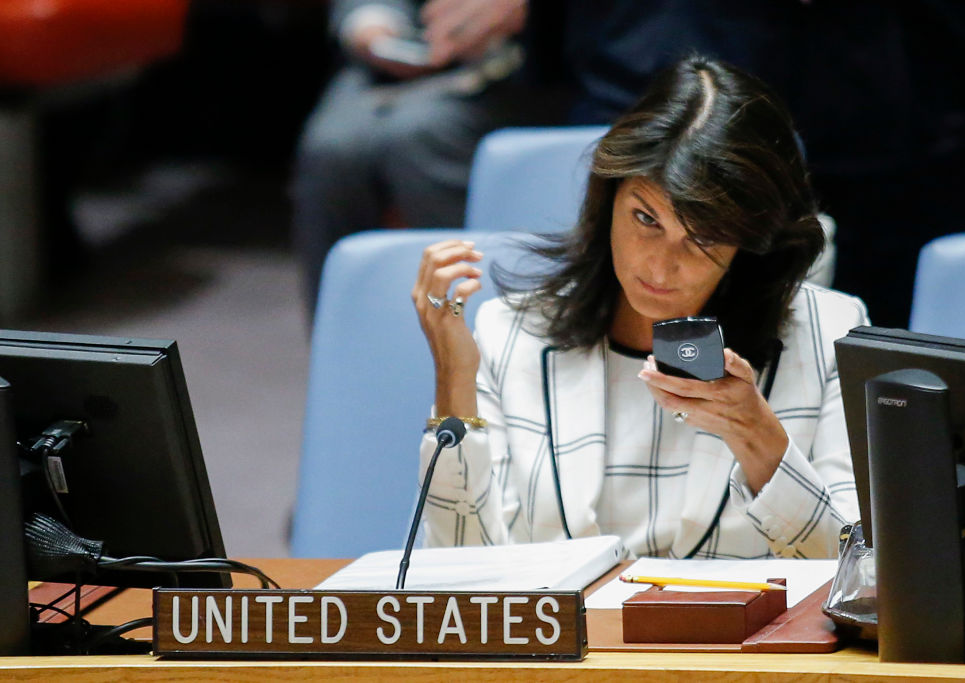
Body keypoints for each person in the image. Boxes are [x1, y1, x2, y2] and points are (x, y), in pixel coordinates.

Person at [411, 56, 869, 560]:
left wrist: (759, 440)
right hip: (574, 640)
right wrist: (454, 382)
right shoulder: (511, 331)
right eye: (645, 218)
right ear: (608, 198)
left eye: (704, 237)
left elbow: (857, 571)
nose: (661, 266)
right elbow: (458, 574)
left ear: (749, 241)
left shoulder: (831, 333)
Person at [291, 0, 565, 314]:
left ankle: (483, 335)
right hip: (412, 45)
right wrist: (372, 22)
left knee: (421, 136)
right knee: (334, 146)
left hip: (543, 60)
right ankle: (345, 347)